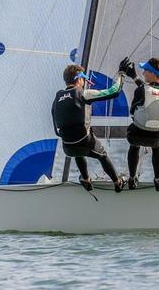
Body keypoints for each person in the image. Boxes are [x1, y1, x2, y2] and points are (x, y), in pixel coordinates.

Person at [51, 61, 127, 192]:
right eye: (83, 79)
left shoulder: (57, 97)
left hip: (67, 147)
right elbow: (114, 92)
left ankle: (85, 179)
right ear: (79, 79)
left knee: (77, 153)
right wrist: (121, 74)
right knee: (102, 155)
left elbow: (56, 124)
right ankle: (117, 182)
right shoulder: (83, 93)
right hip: (85, 143)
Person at [125, 56, 159, 191]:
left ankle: (132, 178)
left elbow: (133, 110)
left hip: (136, 135)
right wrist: (134, 77)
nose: (143, 73)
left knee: (134, 146)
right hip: (155, 138)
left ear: (152, 73)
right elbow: (153, 92)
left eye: (145, 70)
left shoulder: (140, 90)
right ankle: (158, 179)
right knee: (157, 147)